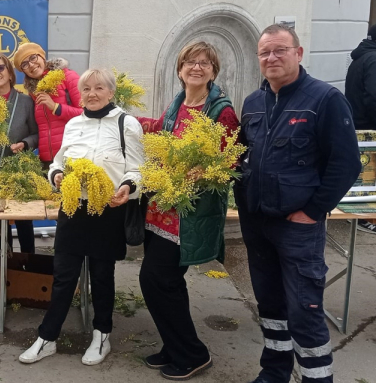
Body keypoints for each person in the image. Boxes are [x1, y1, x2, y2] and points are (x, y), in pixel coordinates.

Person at [234, 24, 361, 383]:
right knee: (270, 304)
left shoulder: (324, 99)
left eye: (280, 50)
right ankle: (274, 371)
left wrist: (314, 211)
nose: (271, 58)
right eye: (265, 53)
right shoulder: (254, 102)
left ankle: (317, 378)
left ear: (299, 54)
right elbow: (244, 154)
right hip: (257, 222)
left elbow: (346, 163)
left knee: (304, 308)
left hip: (297, 226)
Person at [19, 69, 143, 366]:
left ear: (111, 92)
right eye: (86, 88)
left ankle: (102, 335)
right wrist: (57, 175)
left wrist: (127, 187)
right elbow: (57, 162)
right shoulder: (74, 123)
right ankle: (47, 338)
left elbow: (138, 170)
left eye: (99, 88)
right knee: (63, 276)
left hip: (108, 209)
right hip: (74, 208)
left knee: (102, 276)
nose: (92, 93)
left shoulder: (128, 124)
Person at [137, 41, 238, 380]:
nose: (197, 67)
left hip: (187, 214)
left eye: (205, 63)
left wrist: (204, 172)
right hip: (160, 208)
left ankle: (193, 353)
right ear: (180, 70)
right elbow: (164, 138)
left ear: (213, 71)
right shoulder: (178, 104)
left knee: (154, 279)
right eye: (190, 62)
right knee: (169, 284)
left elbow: (232, 159)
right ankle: (174, 347)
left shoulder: (221, 111)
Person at [0, 52, 39, 253]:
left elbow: (36, 134)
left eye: (0, 68)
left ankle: (28, 264)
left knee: (24, 222)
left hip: (18, 171)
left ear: (9, 72)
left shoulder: (25, 102)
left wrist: (25, 143)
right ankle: (2, 268)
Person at [13, 42, 82, 169]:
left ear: (42, 57)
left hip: (71, 157)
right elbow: (40, 130)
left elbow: (86, 114)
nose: (31, 65)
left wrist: (56, 107)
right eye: (25, 64)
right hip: (47, 162)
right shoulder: (33, 92)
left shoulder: (67, 76)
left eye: (33, 57)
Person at [344, 24, 376, 233]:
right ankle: (366, 218)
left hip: (357, 123)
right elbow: (373, 97)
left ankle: (361, 216)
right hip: (369, 126)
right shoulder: (373, 59)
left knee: (363, 173)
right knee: (369, 176)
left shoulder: (361, 57)